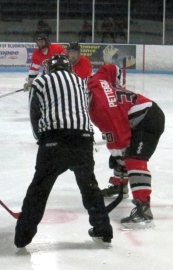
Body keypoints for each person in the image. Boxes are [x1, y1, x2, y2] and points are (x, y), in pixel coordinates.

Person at [15, 55, 113, 247]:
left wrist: (42, 141)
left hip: (54, 139)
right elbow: (83, 109)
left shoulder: (41, 81)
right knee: (90, 187)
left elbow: (35, 114)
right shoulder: (80, 82)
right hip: (83, 139)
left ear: (50, 69)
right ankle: (104, 231)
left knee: (39, 188)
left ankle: (22, 236)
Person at [87, 64, 165, 230]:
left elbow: (119, 135)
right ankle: (119, 186)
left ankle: (144, 211)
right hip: (140, 117)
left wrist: (118, 155)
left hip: (148, 119)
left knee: (132, 159)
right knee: (121, 154)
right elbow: (110, 68)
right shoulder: (97, 83)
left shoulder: (99, 104)